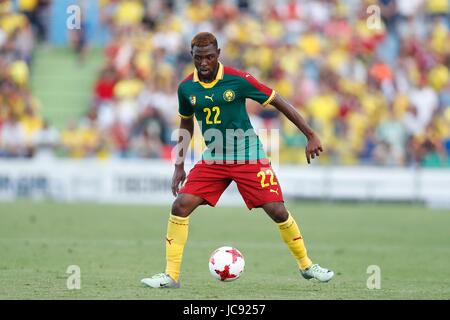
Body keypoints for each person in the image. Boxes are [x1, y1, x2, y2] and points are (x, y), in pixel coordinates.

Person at [141, 32, 334, 288]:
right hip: (214, 157)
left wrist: (310, 134)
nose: (204, 63)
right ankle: (171, 275)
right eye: (199, 58)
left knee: (277, 211)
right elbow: (185, 123)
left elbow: (277, 100)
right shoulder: (186, 88)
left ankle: (307, 266)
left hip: (248, 154)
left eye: (210, 57)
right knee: (180, 206)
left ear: (218, 54)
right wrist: (179, 165)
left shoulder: (238, 79)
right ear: (192, 57)